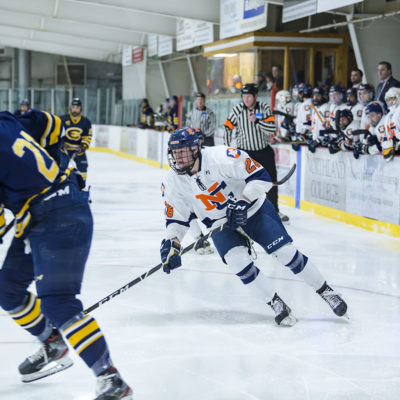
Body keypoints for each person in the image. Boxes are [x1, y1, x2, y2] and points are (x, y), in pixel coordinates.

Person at [0, 111, 132, 399]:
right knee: (7, 289)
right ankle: (52, 341)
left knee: (59, 303)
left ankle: (111, 378)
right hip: (42, 214)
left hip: (59, 215)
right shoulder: (6, 120)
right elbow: (52, 125)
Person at [160, 128, 348, 327]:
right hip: (219, 224)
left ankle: (326, 291)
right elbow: (176, 219)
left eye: (182, 151)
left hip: (253, 209)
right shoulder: (172, 182)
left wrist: (243, 201)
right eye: (174, 152)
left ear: (196, 149)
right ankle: (275, 302)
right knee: (237, 262)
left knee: (285, 252)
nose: (177, 157)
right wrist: (172, 243)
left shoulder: (221, 157)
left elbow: (261, 176)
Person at [223, 83, 289, 223]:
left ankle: (274, 211)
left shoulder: (264, 108)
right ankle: (244, 211)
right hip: (245, 154)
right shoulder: (238, 109)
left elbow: (271, 129)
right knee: (242, 184)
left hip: (263, 152)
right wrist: (227, 148)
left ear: (255, 96)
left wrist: (257, 121)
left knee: (270, 182)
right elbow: (228, 127)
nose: (246, 99)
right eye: (244, 96)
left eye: (249, 96)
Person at [60, 98, 92, 188]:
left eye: (77, 107)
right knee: (61, 168)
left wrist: (83, 146)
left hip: (79, 150)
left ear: (80, 109)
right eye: (73, 107)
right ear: (71, 108)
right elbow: (58, 133)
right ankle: (60, 187)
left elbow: (87, 136)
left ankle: (81, 187)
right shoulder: (63, 119)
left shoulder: (85, 122)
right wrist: (60, 144)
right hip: (64, 151)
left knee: (83, 166)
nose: (75, 109)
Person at [382, 87, 400, 161]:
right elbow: (386, 135)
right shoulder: (387, 116)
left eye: (393, 98)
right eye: (389, 99)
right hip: (393, 150)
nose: (391, 101)